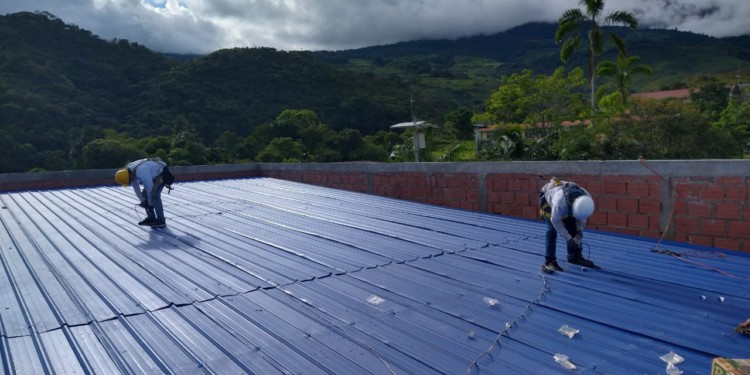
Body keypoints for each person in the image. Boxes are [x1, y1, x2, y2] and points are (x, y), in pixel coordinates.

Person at [539, 177, 598, 272]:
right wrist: (569, 238)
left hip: (566, 200)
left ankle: (574, 257)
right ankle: (549, 261)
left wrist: (579, 232)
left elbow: (582, 218)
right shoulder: (559, 203)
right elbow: (555, 221)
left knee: (572, 227)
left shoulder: (586, 199)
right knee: (551, 231)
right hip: (548, 196)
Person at [115, 158, 174, 227]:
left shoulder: (141, 172)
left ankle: (161, 220)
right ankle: (151, 218)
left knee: (154, 195)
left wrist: (150, 205)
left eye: (130, 180)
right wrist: (143, 201)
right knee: (144, 196)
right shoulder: (129, 171)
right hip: (152, 174)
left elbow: (150, 189)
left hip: (162, 173)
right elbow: (136, 188)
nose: (130, 182)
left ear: (129, 176)